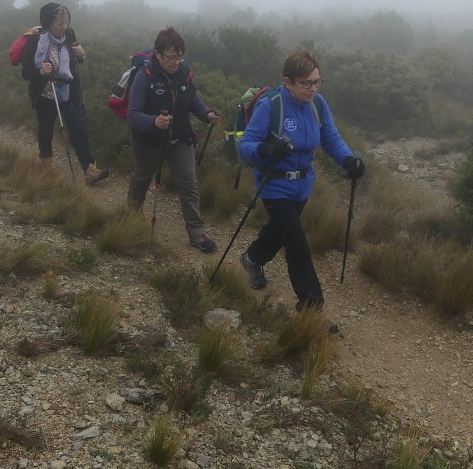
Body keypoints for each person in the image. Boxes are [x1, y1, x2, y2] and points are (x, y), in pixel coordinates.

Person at [236, 49, 365, 321]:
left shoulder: (318, 105)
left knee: (280, 232)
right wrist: (267, 149)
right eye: (307, 83)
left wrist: (348, 159)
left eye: (317, 81)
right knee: (297, 245)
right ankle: (311, 308)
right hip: (274, 186)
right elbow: (244, 146)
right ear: (288, 82)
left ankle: (252, 259)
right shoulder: (271, 106)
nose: (313, 88)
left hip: (303, 185)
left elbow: (331, 138)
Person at [127, 27, 221, 252]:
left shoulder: (185, 72)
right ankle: (130, 217)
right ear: (158, 55)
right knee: (142, 178)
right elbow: (133, 113)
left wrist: (206, 114)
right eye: (172, 57)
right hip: (149, 141)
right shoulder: (144, 77)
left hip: (179, 137)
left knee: (188, 184)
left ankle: (197, 232)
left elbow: (192, 98)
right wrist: (153, 122)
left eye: (180, 56)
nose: (177, 62)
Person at [21, 2, 109, 185]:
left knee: (79, 129)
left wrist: (82, 55)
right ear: (48, 23)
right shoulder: (36, 41)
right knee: (45, 131)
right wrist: (40, 72)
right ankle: (46, 166)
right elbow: (26, 72)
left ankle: (89, 170)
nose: (63, 26)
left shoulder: (69, 35)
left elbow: (76, 59)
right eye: (59, 23)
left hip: (69, 93)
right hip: (45, 94)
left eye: (66, 22)